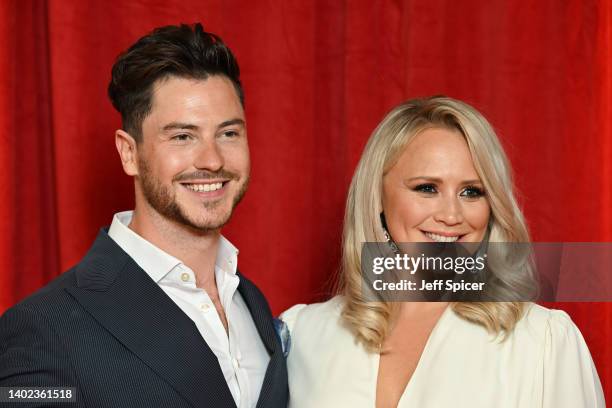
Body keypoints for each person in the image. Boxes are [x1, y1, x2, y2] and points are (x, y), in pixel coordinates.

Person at [0, 23, 287, 408]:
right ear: (129, 153)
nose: (212, 159)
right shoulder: (44, 329)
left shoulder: (252, 303)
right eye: (182, 136)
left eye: (228, 134)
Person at [281, 96, 605, 407]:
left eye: (471, 192)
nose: (451, 215)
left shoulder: (544, 342)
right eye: (427, 188)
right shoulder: (302, 335)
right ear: (377, 198)